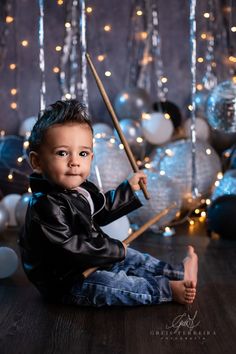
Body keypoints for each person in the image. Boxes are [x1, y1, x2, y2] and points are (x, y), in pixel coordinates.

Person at [19, 99, 198, 307]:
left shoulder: (82, 188)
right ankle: (166, 290)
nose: (74, 161)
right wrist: (112, 250)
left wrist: (128, 189)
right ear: (37, 162)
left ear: (91, 156)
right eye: (62, 153)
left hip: (91, 258)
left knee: (131, 257)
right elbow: (69, 247)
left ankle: (177, 272)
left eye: (82, 153)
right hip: (68, 281)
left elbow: (102, 209)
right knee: (115, 285)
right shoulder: (45, 205)